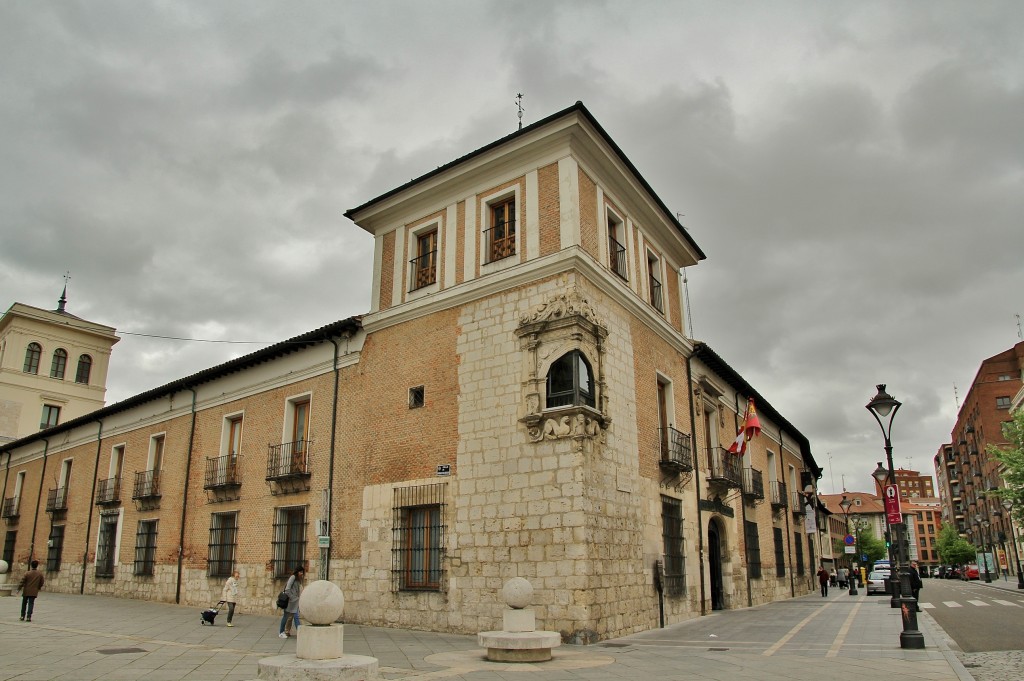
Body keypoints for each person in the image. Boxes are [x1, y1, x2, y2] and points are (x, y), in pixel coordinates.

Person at [279, 565, 304, 638]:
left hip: (294, 602)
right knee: (286, 617)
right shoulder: (293, 577)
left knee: (296, 617)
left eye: (302, 572)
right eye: (300, 572)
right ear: (297, 572)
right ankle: (281, 632)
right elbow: (287, 589)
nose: (302, 573)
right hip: (290, 602)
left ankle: (300, 633)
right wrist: (293, 598)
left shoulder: (298, 579)